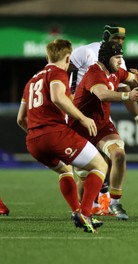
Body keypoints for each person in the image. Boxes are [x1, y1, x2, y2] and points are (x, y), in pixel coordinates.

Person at [16, 39, 108, 233]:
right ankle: (85, 213)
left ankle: (76, 211)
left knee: (65, 170)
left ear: (47, 56)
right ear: (67, 58)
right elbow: (58, 97)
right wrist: (82, 118)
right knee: (100, 166)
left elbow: (21, 119)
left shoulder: (31, 81)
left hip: (33, 141)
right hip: (55, 134)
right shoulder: (58, 73)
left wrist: (38, 135)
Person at [69, 24, 138, 216]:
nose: (121, 61)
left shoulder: (117, 70)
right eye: (118, 58)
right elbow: (103, 95)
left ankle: (114, 202)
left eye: (121, 57)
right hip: (80, 125)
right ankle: (81, 211)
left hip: (102, 124)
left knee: (119, 154)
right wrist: (127, 96)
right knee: (85, 176)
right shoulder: (93, 72)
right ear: (107, 58)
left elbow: (134, 80)